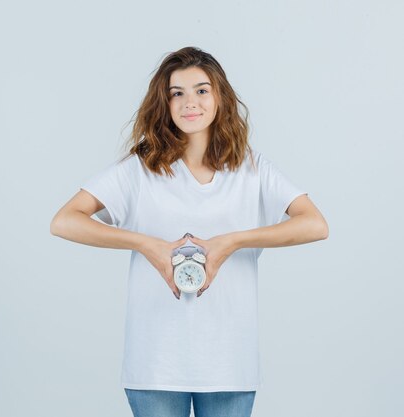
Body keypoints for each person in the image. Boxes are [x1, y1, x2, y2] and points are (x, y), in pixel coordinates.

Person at [49, 46, 329, 417]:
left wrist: (232, 241)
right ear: (163, 104)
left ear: (220, 97)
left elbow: (315, 224)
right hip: (155, 363)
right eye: (176, 94)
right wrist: (146, 244)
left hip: (230, 363)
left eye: (201, 90)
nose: (188, 103)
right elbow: (64, 220)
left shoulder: (251, 167)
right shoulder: (140, 168)